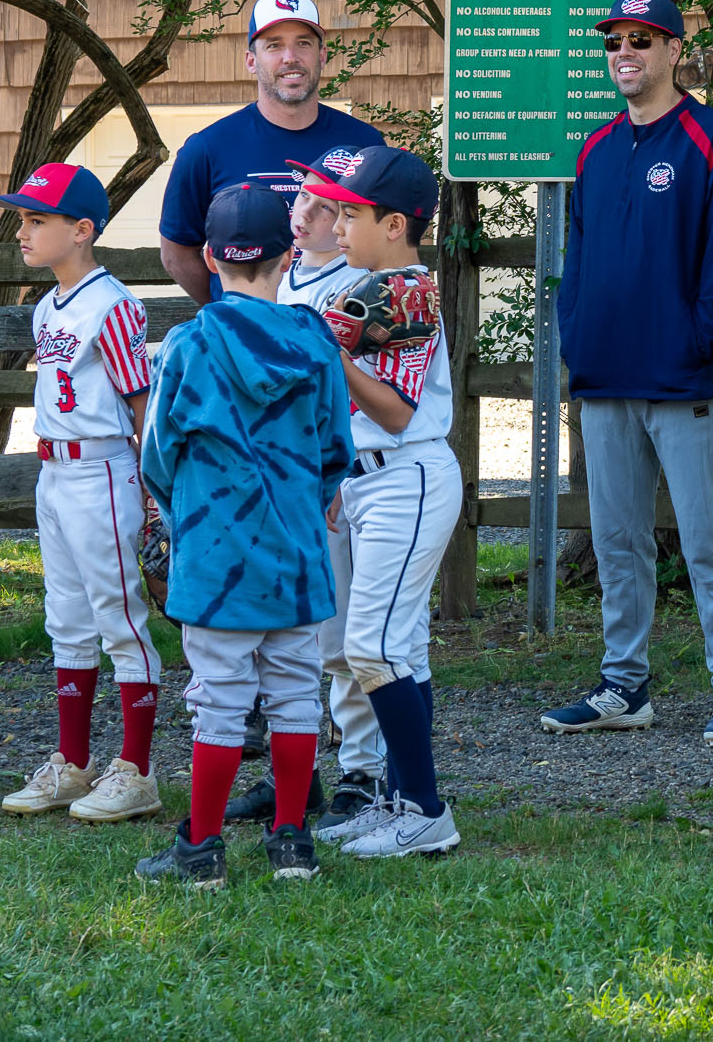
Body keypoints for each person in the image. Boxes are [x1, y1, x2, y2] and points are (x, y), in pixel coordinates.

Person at [543, 0, 713, 745]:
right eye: (614, 42)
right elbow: (577, 260)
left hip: (684, 378)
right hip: (606, 379)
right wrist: (577, 337)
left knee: (710, 541)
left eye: (641, 39)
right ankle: (623, 685)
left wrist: (701, 341)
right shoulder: (595, 150)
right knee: (617, 541)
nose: (625, 53)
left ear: (674, 49)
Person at [135, 184, 354, 885]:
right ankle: (292, 841)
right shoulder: (316, 341)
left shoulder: (189, 343)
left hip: (216, 551)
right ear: (288, 256)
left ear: (209, 257)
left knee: (221, 699)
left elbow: (157, 455)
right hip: (297, 550)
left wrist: (180, 515)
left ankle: (201, 848)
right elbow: (336, 447)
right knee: (295, 692)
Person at [299, 146, 465, 858]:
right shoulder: (377, 285)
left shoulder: (409, 291)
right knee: (401, 649)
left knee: (372, 646)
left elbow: (395, 413)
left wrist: (332, 358)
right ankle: (403, 800)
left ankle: (425, 811)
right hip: (371, 478)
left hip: (408, 473)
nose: (336, 226)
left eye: (351, 214)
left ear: (395, 224)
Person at [0, 165, 165, 824]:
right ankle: (72, 762)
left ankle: (137, 769)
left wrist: (152, 489)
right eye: (23, 219)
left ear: (83, 229)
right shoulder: (49, 305)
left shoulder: (112, 303)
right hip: (55, 472)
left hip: (102, 470)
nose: (23, 231)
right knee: (65, 617)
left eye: (38, 220)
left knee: (119, 616)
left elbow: (141, 400)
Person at [269, 165, 386, 833]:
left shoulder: (356, 284)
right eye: (303, 199)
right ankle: (295, 772)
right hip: (287, 473)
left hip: (338, 471)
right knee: (299, 632)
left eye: (326, 205)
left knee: (347, 633)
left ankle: (362, 768)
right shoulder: (280, 277)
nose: (306, 214)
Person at [158, 0, 383, 303]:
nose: (290, 57)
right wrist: (228, 309)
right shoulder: (206, 149)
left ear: (322, 55)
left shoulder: (366, 146)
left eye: (303, 43)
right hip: (246, 329)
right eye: (274, 45)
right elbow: (176, 253)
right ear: (251, 60)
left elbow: (384, 243)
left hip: (338, 329)